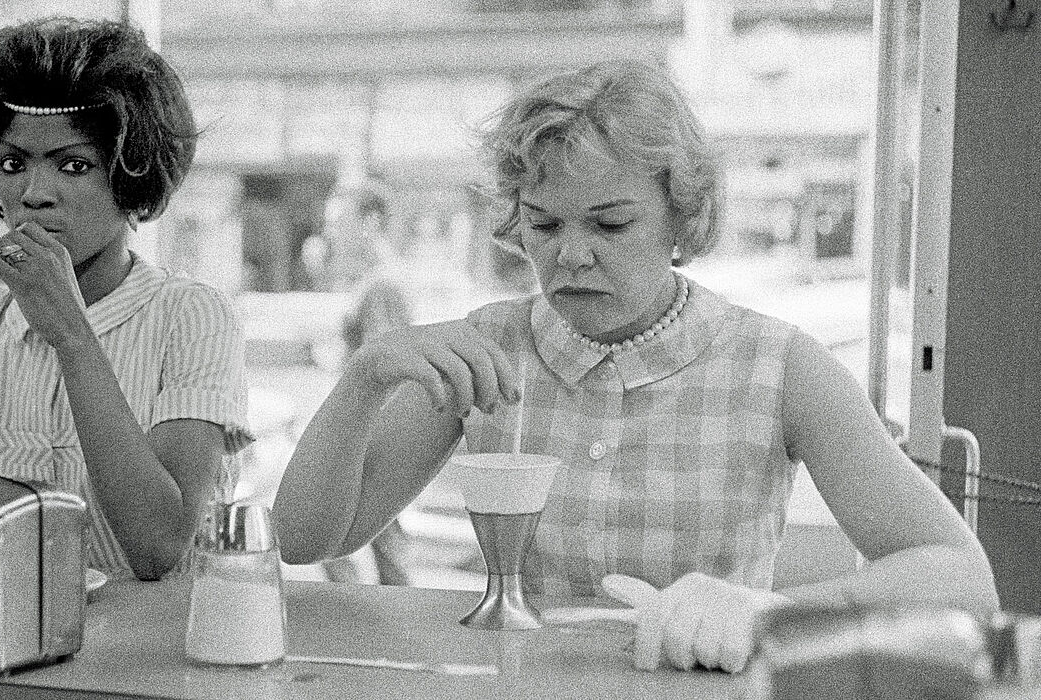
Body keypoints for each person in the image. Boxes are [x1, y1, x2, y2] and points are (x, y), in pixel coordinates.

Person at [273, 59, 997, 673]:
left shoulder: (778, 367)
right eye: (544, 223)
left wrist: (769, 614)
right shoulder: (488, 351)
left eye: (611, 223)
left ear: (684, 217)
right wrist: (365, 380)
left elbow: (960, 580)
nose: (571, 253)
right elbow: (310, 540)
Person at [0, 17, 250, 582]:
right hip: (0, 642)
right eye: (13, 164)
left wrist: (70, 331)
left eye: (74, 165)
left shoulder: (192, 317)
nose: (33, 194)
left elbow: (159, 547)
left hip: (154, 656)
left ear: (133, 177)